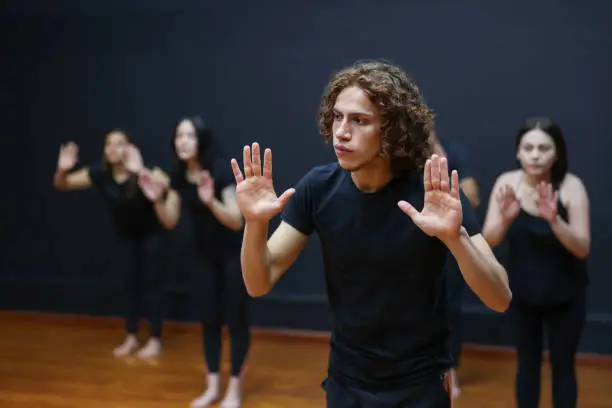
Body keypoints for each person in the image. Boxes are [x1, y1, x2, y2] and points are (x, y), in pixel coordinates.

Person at [230, 60, 511, 408]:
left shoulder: (434, 194)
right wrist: (255, 223)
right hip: (347, 382)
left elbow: (500, 298)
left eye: (359, 120)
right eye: (337, 117)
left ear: (392, 130)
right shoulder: (318, 188)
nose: (341, 132)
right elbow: (259, 282)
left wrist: (456, 239)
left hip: (420, 384)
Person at [482, 117, 590, 408]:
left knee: (563, 366)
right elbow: (488, 241)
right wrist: (504, 219)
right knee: (526, 365)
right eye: (528, 147)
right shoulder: (507, 183)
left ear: (556, 152)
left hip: (566, 295)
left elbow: (582, 248)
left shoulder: (571, 186)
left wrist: (554, 220)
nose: (535, 155)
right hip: (521, 296)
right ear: (518, 151)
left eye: (544, 148)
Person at [53, 129, 180, 359]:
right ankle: (131, 336)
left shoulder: (146, 169)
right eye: (108, 144)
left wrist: (140, 171)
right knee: (128, 285)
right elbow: (63, 184)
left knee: (152, 285)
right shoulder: (100, 173)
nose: (112, 148)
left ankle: (155, 339)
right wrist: (62, 170)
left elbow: (173, 188)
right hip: (125, 237)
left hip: (151, 234)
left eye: (119, 143)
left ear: (130, 148)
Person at [150, 116, 248, 408]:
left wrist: (209, 201)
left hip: (232, 256)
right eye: (178, 136)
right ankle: (212, 387)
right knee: (209, 321)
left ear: (201, 140)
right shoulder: (178, 176)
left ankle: (234, 390)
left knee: (236, 322)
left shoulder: (219, 169)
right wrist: (157, 198)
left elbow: (235, 221)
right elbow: (170, 219)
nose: (182, 141)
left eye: (189, 136)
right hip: (203, 257)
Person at [430, 124, 481, 397]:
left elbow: (472, 199)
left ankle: (451, 371)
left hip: (449, 246)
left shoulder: (453, 152)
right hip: (415, 245)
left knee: (450, 309)